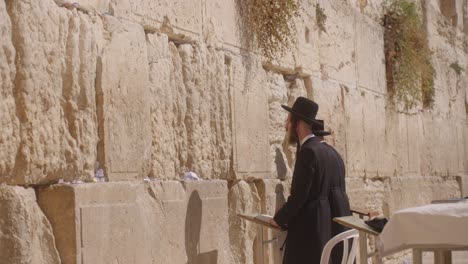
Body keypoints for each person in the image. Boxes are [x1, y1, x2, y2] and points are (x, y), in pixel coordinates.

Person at [269, 97, 351, 264]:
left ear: (297, 123)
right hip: (335, 239)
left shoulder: (308, 152)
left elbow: (299, 196)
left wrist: (278, 219)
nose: (286, 126)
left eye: (288, 121)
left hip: (313, 240)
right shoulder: (335, 155)